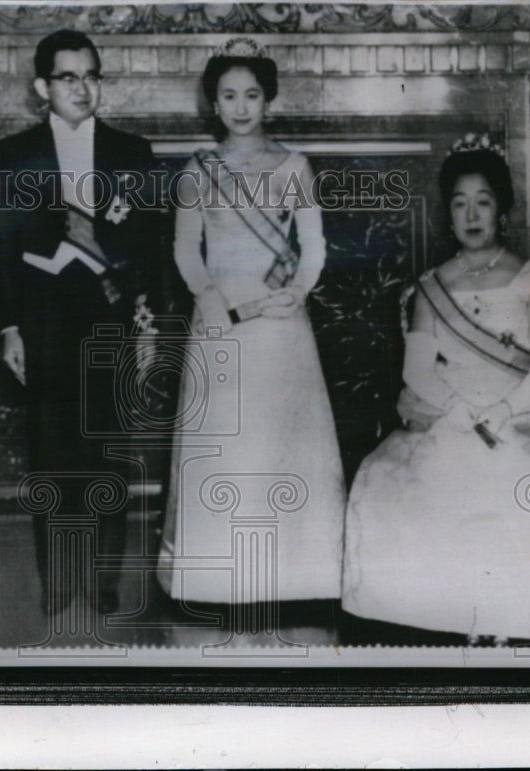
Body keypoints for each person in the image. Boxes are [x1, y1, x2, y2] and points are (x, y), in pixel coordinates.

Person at [341, 136, 530, 643]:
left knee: (510, 479)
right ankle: (435, 622)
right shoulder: (431, 286)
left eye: (483, 201)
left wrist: (500, 409)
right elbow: (418, 371)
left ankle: (510, 622)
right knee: (392, 478)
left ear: (502, 210)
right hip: (447, 412)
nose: (471, 214)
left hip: (518, 411)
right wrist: (456, 410)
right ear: (448, 214)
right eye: (459, 202)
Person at [156, 38, 347, 607]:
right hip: (219, 315)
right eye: (229, 96)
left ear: (269, 100)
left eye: (252, 95)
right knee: (227, 439)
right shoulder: (197, 171)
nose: (241, 107)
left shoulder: (293, 166)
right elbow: (186, 251)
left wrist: (297, 292)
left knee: (279, 438)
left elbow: (313, 247)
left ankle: (298, 575)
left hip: (281, 319)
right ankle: (218, 576)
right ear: (213, 104)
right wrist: (209, 299)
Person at [0, 30, 158, 616]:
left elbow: (148, 244)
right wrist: (9, 328)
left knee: (108, 450)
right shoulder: (15, 154)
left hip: (108, 311)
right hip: (42, 319)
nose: (82, 89)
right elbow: (1, 248)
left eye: (91, 76)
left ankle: (104, 578)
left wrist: (142, 321)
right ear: (42, 87)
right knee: (51, 452)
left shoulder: (132, 153)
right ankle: (59, 580)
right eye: (67, 77)